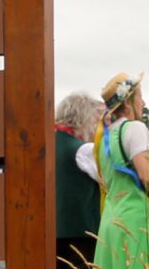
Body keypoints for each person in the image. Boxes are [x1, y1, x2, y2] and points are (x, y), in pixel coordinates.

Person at [93, 72, 149, 269]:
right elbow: (147, 176)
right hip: (135, 220)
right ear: (127, 103)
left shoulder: (104, 139)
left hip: (111, 218)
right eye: (139, 97)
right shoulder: (134, 128)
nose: (143, 102)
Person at [54, 92, 103, 269]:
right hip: (81, 238)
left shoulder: (47, 144)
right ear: (85, 118)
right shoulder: (83, 150)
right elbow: (110, 181)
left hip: (49, 233)